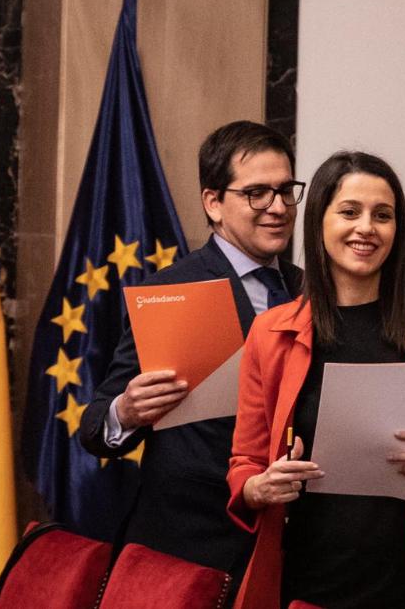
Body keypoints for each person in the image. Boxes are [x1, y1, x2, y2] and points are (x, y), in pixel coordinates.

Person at [226, 151, 405, 609]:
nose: (367, 229)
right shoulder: (272, 331)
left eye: (383, 216)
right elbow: (245, 461)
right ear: (318, 220)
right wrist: (260, 486)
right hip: (310, 579)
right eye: (350, 212)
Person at [79, 121, 304, 580]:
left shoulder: (313, 291)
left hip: (295, 549)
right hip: (193, 545)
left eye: (286, 191)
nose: (278, 208)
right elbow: (95, 427)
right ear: (213, 203)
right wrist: (128, 410)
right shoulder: (172, 291)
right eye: (257, 193)